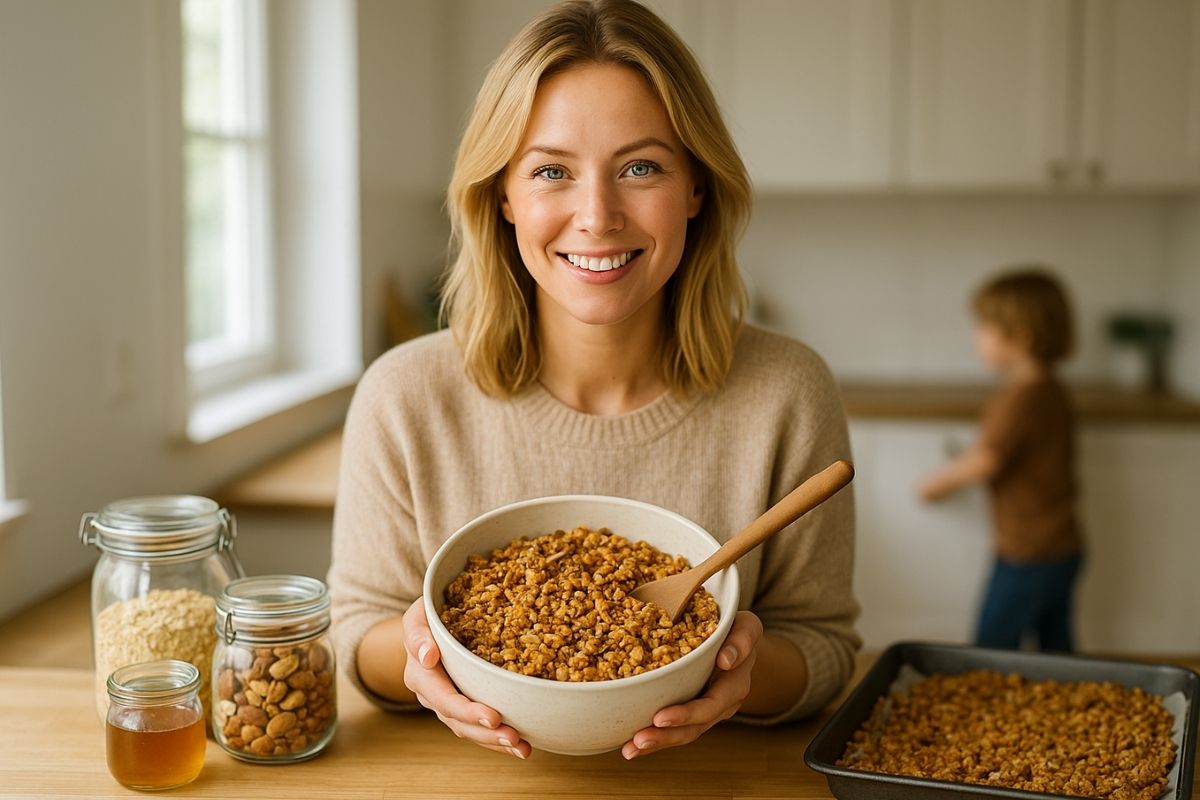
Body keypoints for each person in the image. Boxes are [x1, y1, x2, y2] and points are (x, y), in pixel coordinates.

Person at [328, 0, 859, 761]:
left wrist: (736, 670)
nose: (598, 215)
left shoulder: (788, 392)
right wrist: (427, 654)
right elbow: (358, 632)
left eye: (641, 168)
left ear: (697, 187)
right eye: (552, 171)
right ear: (503, 196)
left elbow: (822, 647)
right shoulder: (404, 395)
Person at [919, 268, 1083, 652]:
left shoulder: (1019, 400)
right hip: (1064, 544)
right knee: (1057, 648)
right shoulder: (1053, 389)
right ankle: (1074, 691)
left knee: (990, 648)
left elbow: (986, 459)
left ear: (1020, 337)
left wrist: (935, 485)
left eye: (983, 328)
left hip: (1027, 551)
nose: (976, 337)